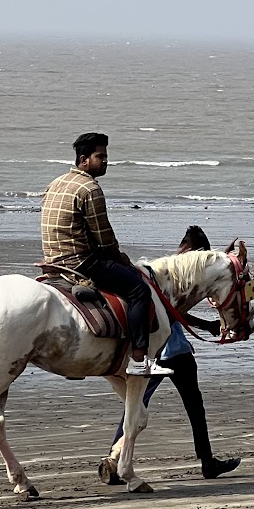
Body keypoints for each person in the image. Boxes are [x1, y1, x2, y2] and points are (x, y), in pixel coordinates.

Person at [101, 224, 241, 482]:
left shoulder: (163, 268)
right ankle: (206, 462)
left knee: (135, 403)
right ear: (196, 251)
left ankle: (114, 456)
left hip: (164, 349)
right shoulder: (178, 273)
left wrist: (224, 256)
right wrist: (207, 325)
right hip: (170, 350)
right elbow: (176, 310)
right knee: (186, 406)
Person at [40, 132, 165, 378]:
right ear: (84, 160)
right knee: (138, 289)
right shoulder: (90, 188)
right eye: (101, 156)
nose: (106, 161)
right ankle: (139, 358)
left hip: (52, 261)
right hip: (81, 263)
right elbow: (104, 237)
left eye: (106, 156)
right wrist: (121, 258)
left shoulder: (55, 183)